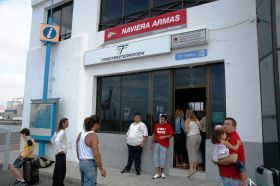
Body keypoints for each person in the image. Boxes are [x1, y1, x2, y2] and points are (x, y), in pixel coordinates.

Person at [76, 115, 106, 186]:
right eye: (99, 124)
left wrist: (81, 159)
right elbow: (96, 154)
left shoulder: (81, 133)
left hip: (81, 162)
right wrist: (101, 169)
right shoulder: (93, 136)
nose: (99, 126)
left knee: (83, 184)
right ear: (95, 124)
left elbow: (77, 147)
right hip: (90, 165)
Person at [216, 117, 247, 186]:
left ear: (234, 127)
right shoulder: (227, 137)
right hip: (227, 175)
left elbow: (233, 159)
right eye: (224, 124)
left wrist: (217, 161)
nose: (225, 126)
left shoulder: (233, 138)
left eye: (228, 124)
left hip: (231, 177)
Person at [150, 114, 173, 179]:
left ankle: (162, 172)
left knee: (162, 158)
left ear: (165, 120)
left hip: (164, 145)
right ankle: (158, 173)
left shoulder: (168, 126)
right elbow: (154, 135)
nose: (161, 120)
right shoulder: (157, 125)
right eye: (161, 119)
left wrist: (164, 136)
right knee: (156, 158)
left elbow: (171, 135)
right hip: (156, 144)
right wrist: (151, 144)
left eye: (163, 119)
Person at [51, 117, 69, 186]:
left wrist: (56, 149)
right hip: (61, 154)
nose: (68, 124)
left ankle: (55, 184)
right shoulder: (62, 131)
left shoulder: (58, 131)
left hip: (57, 154)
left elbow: (52, 140)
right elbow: (56, 140)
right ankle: (59, 184)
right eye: (67, 123)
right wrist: (60, 150)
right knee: (61, 171)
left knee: (57, 170)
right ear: (63, 123)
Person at [184, 109, 202, 177]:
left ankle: (191, 169)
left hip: (192, 137)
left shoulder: (187, 120)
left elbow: (186, 130)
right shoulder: (196, 120)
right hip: (198, 137)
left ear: (187, 114)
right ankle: (194, 168)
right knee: (195, 153)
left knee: (191, 153)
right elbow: (200, 128)